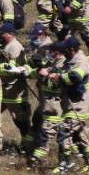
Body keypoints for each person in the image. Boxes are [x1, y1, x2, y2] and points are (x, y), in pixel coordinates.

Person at [41, 37, 89, 173]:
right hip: (68, 103)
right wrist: (53, 76)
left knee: (64, 133)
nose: (62, 50)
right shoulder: (68, 61)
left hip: (78, 105)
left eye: (65, 48)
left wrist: (60, 78)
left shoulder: (81, 61)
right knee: (79, 135)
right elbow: (63, 77)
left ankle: (63, 166)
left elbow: (76, 77)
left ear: (71, 49)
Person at [0, 23, 32, 150]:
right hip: (2, 91)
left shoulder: (15, 47)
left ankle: (27, 146)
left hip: (15, 92)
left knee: (21, 122)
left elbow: (12, 69)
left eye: (2, 34)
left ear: (10, 34)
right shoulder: (3, 46)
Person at [23, 24, 62, 167]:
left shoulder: (57, 56)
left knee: (48, 129)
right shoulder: (42, 49)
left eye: (35, 38)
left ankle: (37, 157)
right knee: (37, 121)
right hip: (44, 96)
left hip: (53, 101)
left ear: (42, 34)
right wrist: (23, 70)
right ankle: (27, 147)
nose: (33, 41)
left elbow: (52, 76)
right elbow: (34, 64)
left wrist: (43, 74)